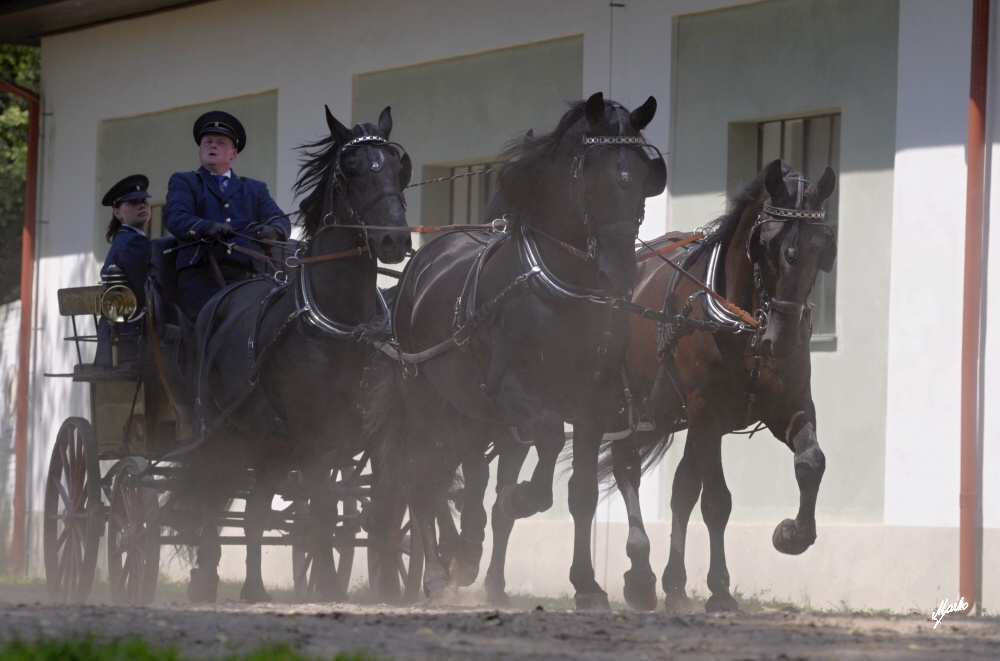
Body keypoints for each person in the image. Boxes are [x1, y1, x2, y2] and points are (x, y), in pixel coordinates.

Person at [163, 110, 290, 320]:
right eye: (208, 142)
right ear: (200, 151)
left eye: (221, 142)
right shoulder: (185, 181)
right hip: (201, 278)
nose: (212, 145)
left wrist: (274, 231)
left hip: (247, 278)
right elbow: (175, 216)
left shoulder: (254, 189)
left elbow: (281, 219)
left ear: (234, 154)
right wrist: (206, 227)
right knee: (207, 332)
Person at [95, 174, 152, 367]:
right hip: (130, 338)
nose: (142, 205)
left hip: (116, 336)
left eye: (144, 201)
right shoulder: (134, 242)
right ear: (118, 213)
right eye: (133, 203)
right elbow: (145, 292)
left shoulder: (124, 239)